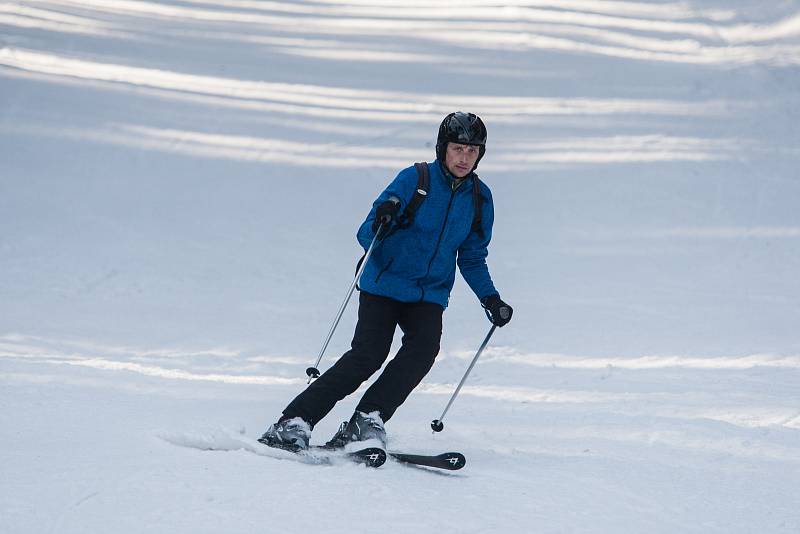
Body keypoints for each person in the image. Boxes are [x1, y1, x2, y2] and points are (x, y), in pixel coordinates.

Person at [258, 111, 513, 452]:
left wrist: (491, 299)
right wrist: (385, 218)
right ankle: (294, 422)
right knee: (367, 356)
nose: (464, 157)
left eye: (472, 151)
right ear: (443, 148)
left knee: (422, 352)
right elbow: (366, 233)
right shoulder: (416, 179)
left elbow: (471, 256)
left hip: (429, 294)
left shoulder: (480, 199)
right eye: (457, 149)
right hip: (385, 285)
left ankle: (367, 419)